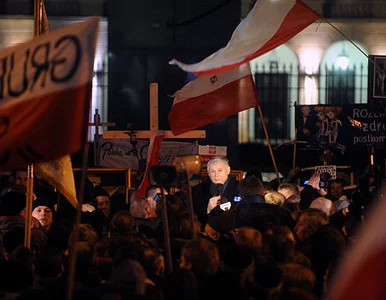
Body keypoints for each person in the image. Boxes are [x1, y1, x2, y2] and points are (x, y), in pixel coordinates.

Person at [192, 156, 239, 226]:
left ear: (228, 170)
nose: (216, 175)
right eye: (212, 171)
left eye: (220, 170)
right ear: (208, 173)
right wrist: (208, 209)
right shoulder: (198, 190)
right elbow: (194, 216)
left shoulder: (240, 188)